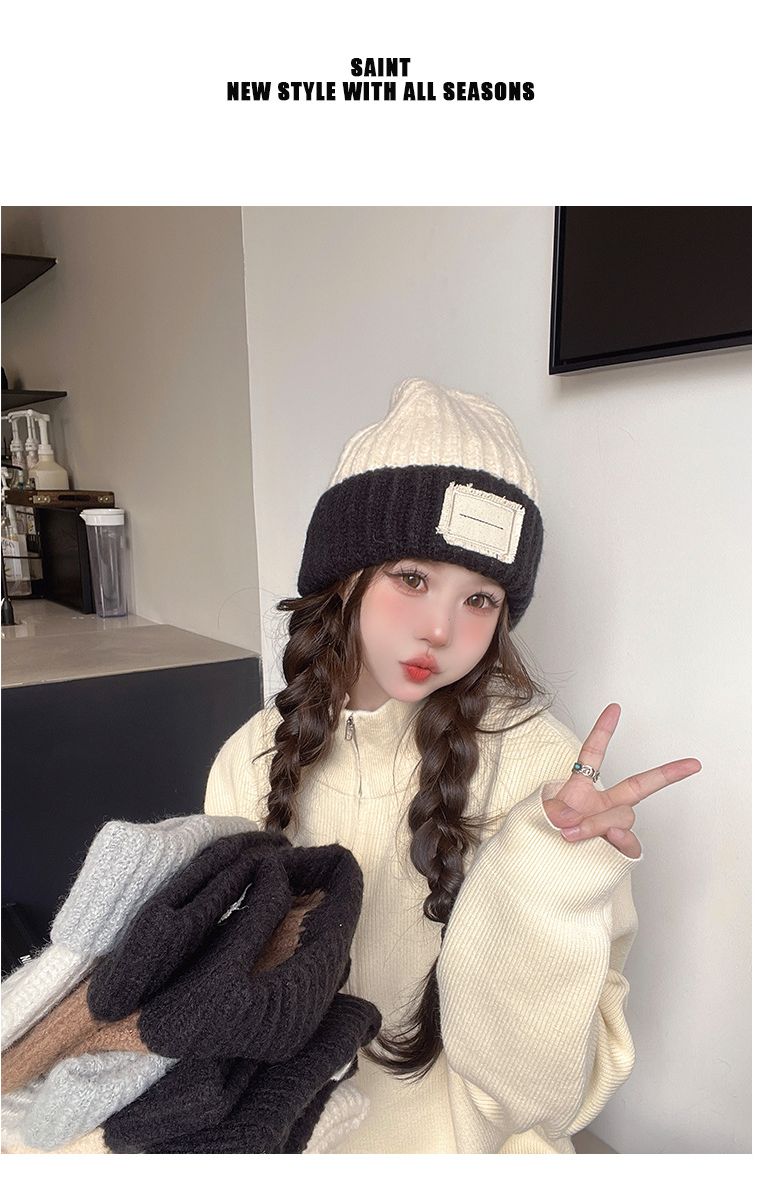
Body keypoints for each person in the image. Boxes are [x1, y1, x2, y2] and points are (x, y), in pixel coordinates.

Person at [204, 377, 701, 1154]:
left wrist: (544, 884)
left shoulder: (545, 769)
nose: (440, 629)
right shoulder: (253, 756)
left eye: (481, 600)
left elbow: (548, 1101)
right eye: (413, 579)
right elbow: (216, 1016)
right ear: (344, 576)